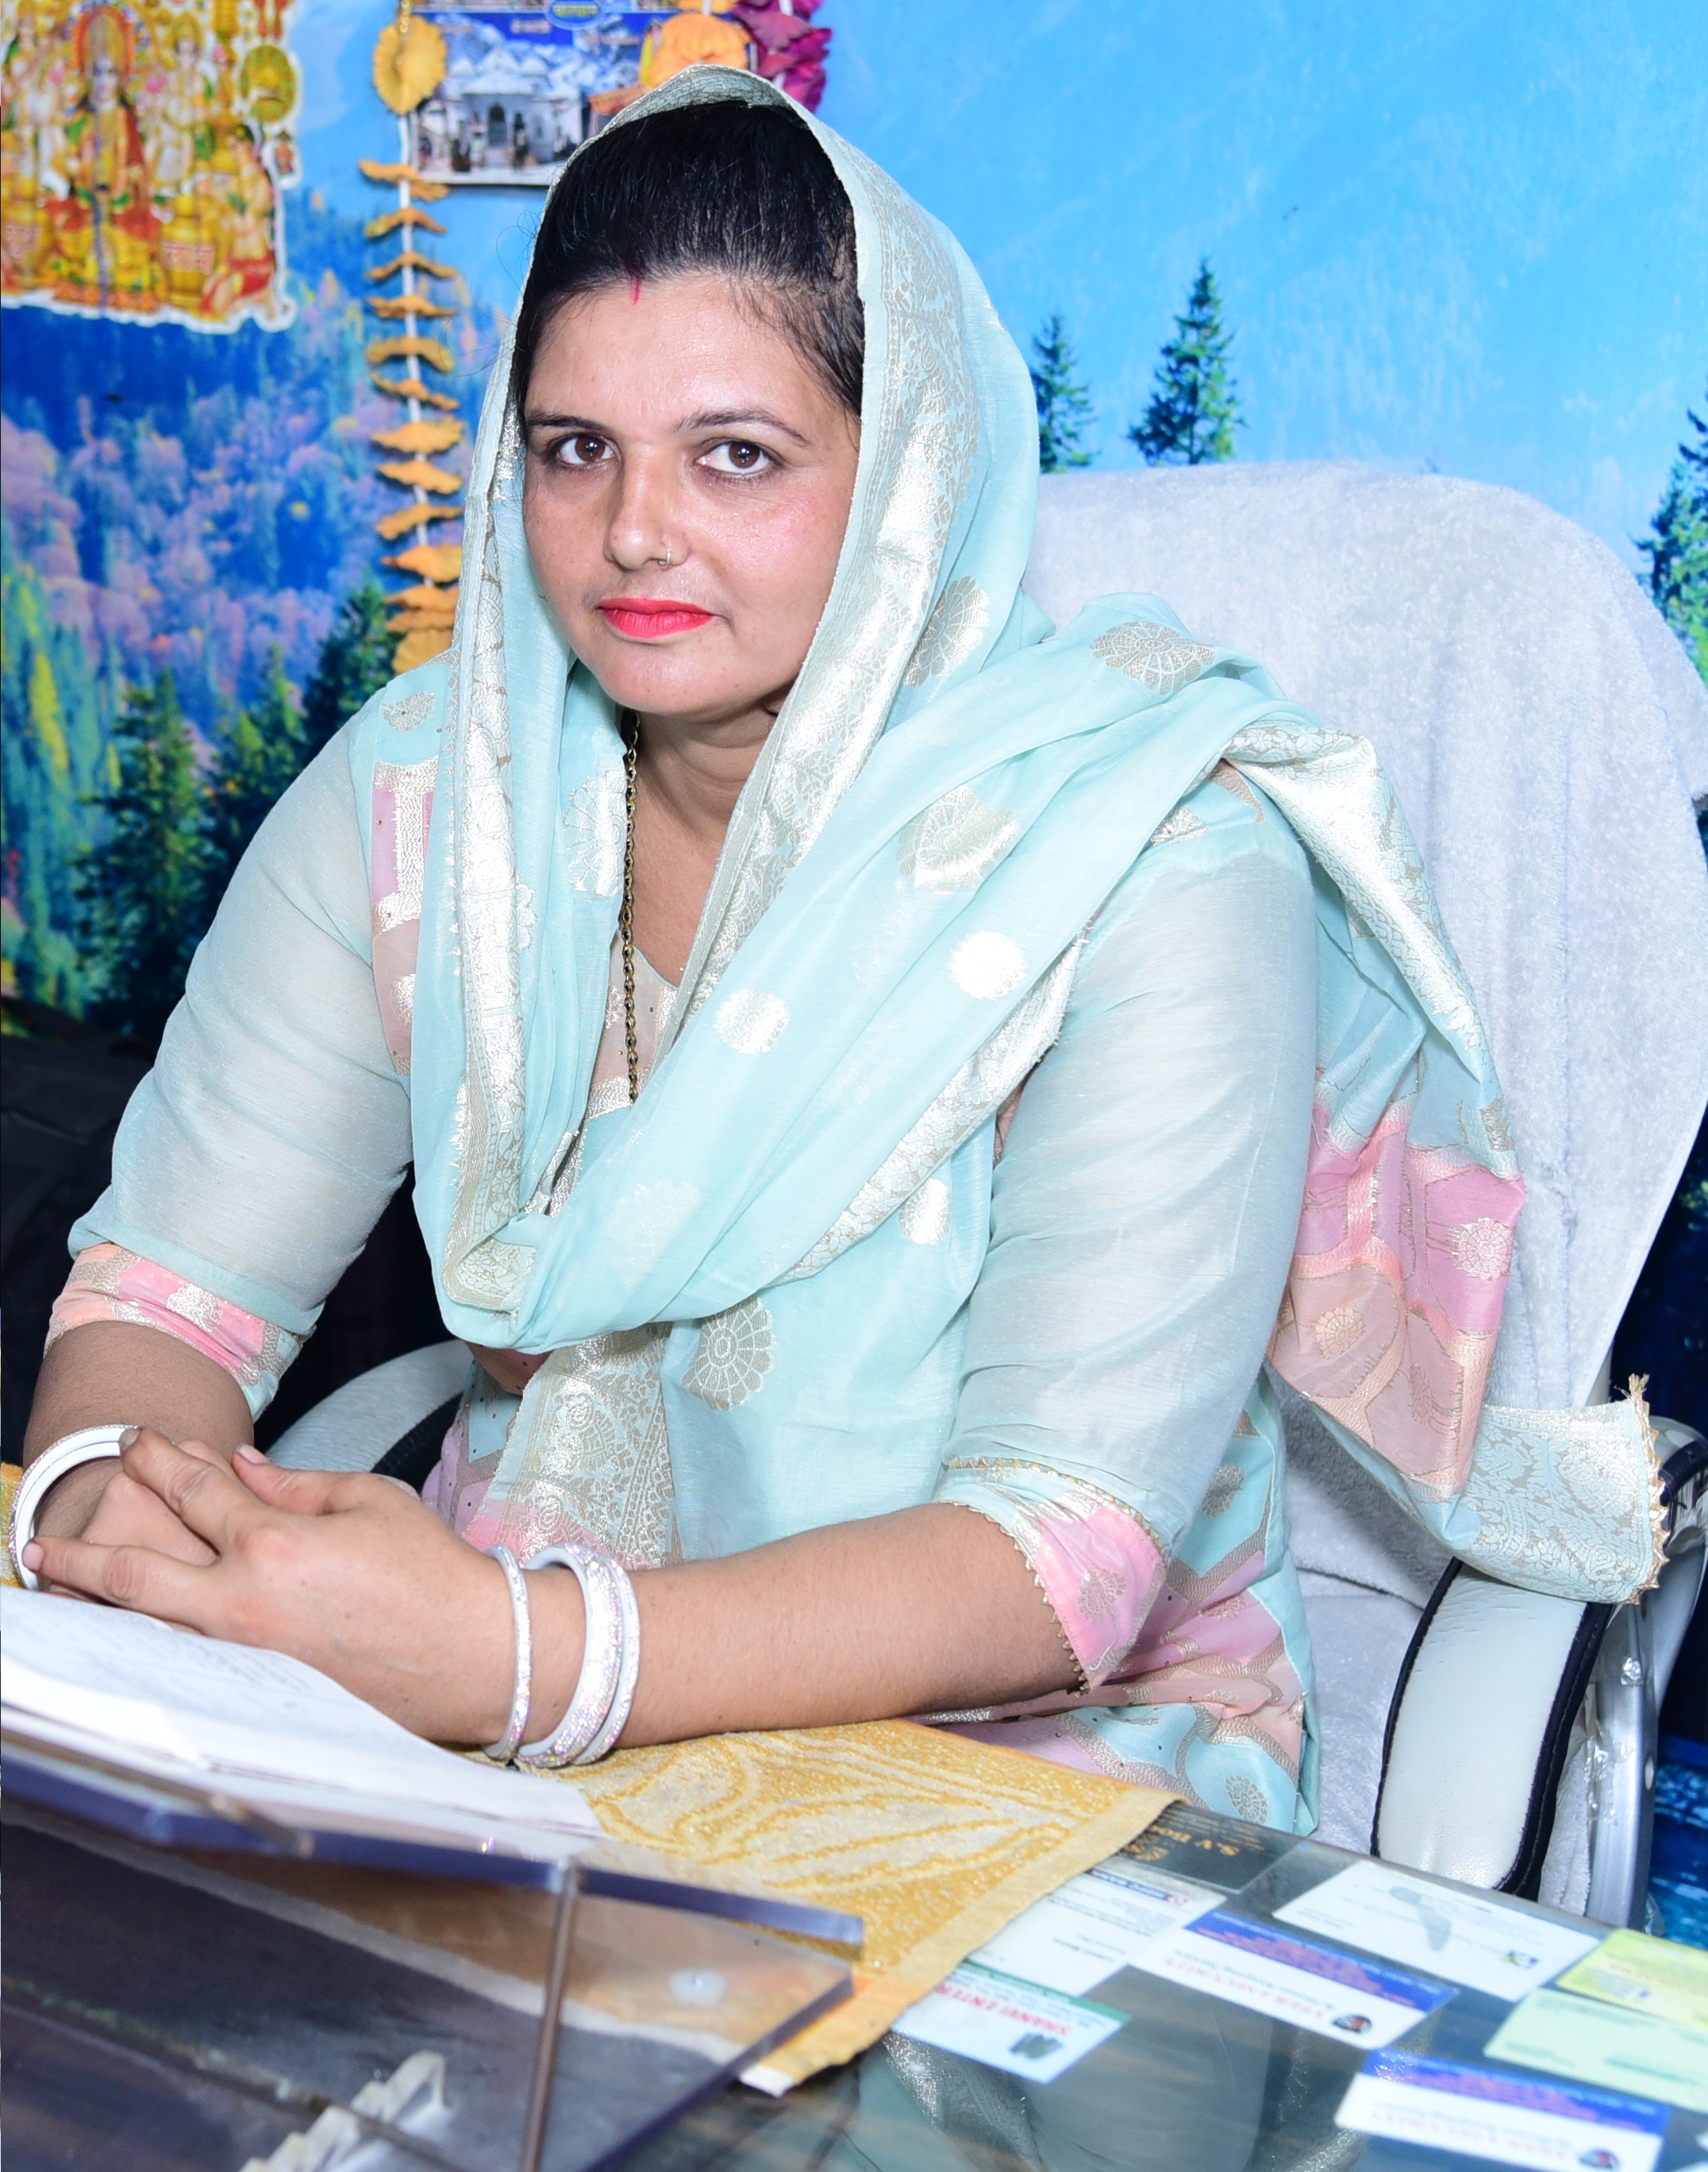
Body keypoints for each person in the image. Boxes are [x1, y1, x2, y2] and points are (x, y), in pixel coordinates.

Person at [18, 75, 1660, 1835]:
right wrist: (111, 1504)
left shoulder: (1148, 859)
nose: (635, 529)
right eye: (575, 448)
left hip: (1026, 1769)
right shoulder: (433, 806)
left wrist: (520, 1658)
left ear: (905, 477)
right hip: (467, 1707)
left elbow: (1061, 1553)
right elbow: (172, 1292)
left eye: (735, 454)